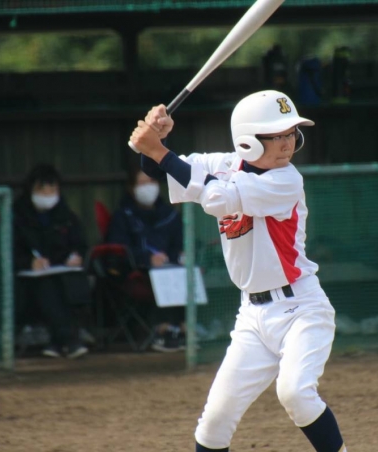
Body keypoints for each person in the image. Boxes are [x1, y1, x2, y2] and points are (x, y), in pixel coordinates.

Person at [129, 90, 347, 452]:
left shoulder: (286, 180)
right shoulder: (223, 164)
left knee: (295, 392)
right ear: (247, 139)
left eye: (291, 133)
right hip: (252, 316)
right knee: (214, 421)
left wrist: (158, 150)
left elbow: (217, 198)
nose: (287, 143)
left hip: (301, 309)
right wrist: (156, 142)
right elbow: (161, 170)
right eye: (275, 135)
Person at [13, 164, 90, 359]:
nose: (48, 196)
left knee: (69, 284)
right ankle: (68, 340)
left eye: (52, 190)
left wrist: (75, 256)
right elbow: (10, 251)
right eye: (42, 191)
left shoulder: (66, 215)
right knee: (47, 287)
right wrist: (29, 262)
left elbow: (80, 244)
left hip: (63, 272)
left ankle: (57, 342)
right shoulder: (17, 216)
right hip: (28, 280)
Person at [105, 167, 185, 352]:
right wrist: (147, 259)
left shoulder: (169, 214)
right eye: (142, 183)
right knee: (161, 277)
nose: (148, 187)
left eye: (152, 182)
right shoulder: (123, 216)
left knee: (181, 272)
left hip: (171, 266)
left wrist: (175, 256)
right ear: (131, 188)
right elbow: (119, 249)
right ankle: (163, 329)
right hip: (139, 271)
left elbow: (179, 243)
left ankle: (182, 327)